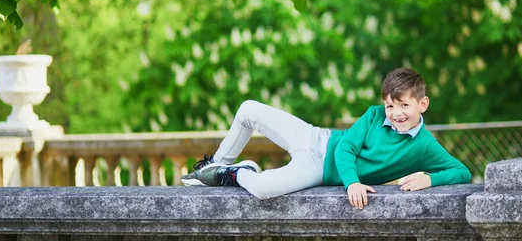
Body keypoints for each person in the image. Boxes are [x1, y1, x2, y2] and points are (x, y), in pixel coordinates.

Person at [182, 67, 471, 209]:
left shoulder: (424, 146)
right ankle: (213, 167)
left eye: (404, 105)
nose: (395, 113)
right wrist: (353, 182)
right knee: (248, 110)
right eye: (390, 105)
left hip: (318, 169)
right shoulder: (373, 115)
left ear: (422, 104)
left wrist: (429, 179)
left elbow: (462, 171)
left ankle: (236, 173)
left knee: (262, 189)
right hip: (316, 139)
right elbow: (345, 146)